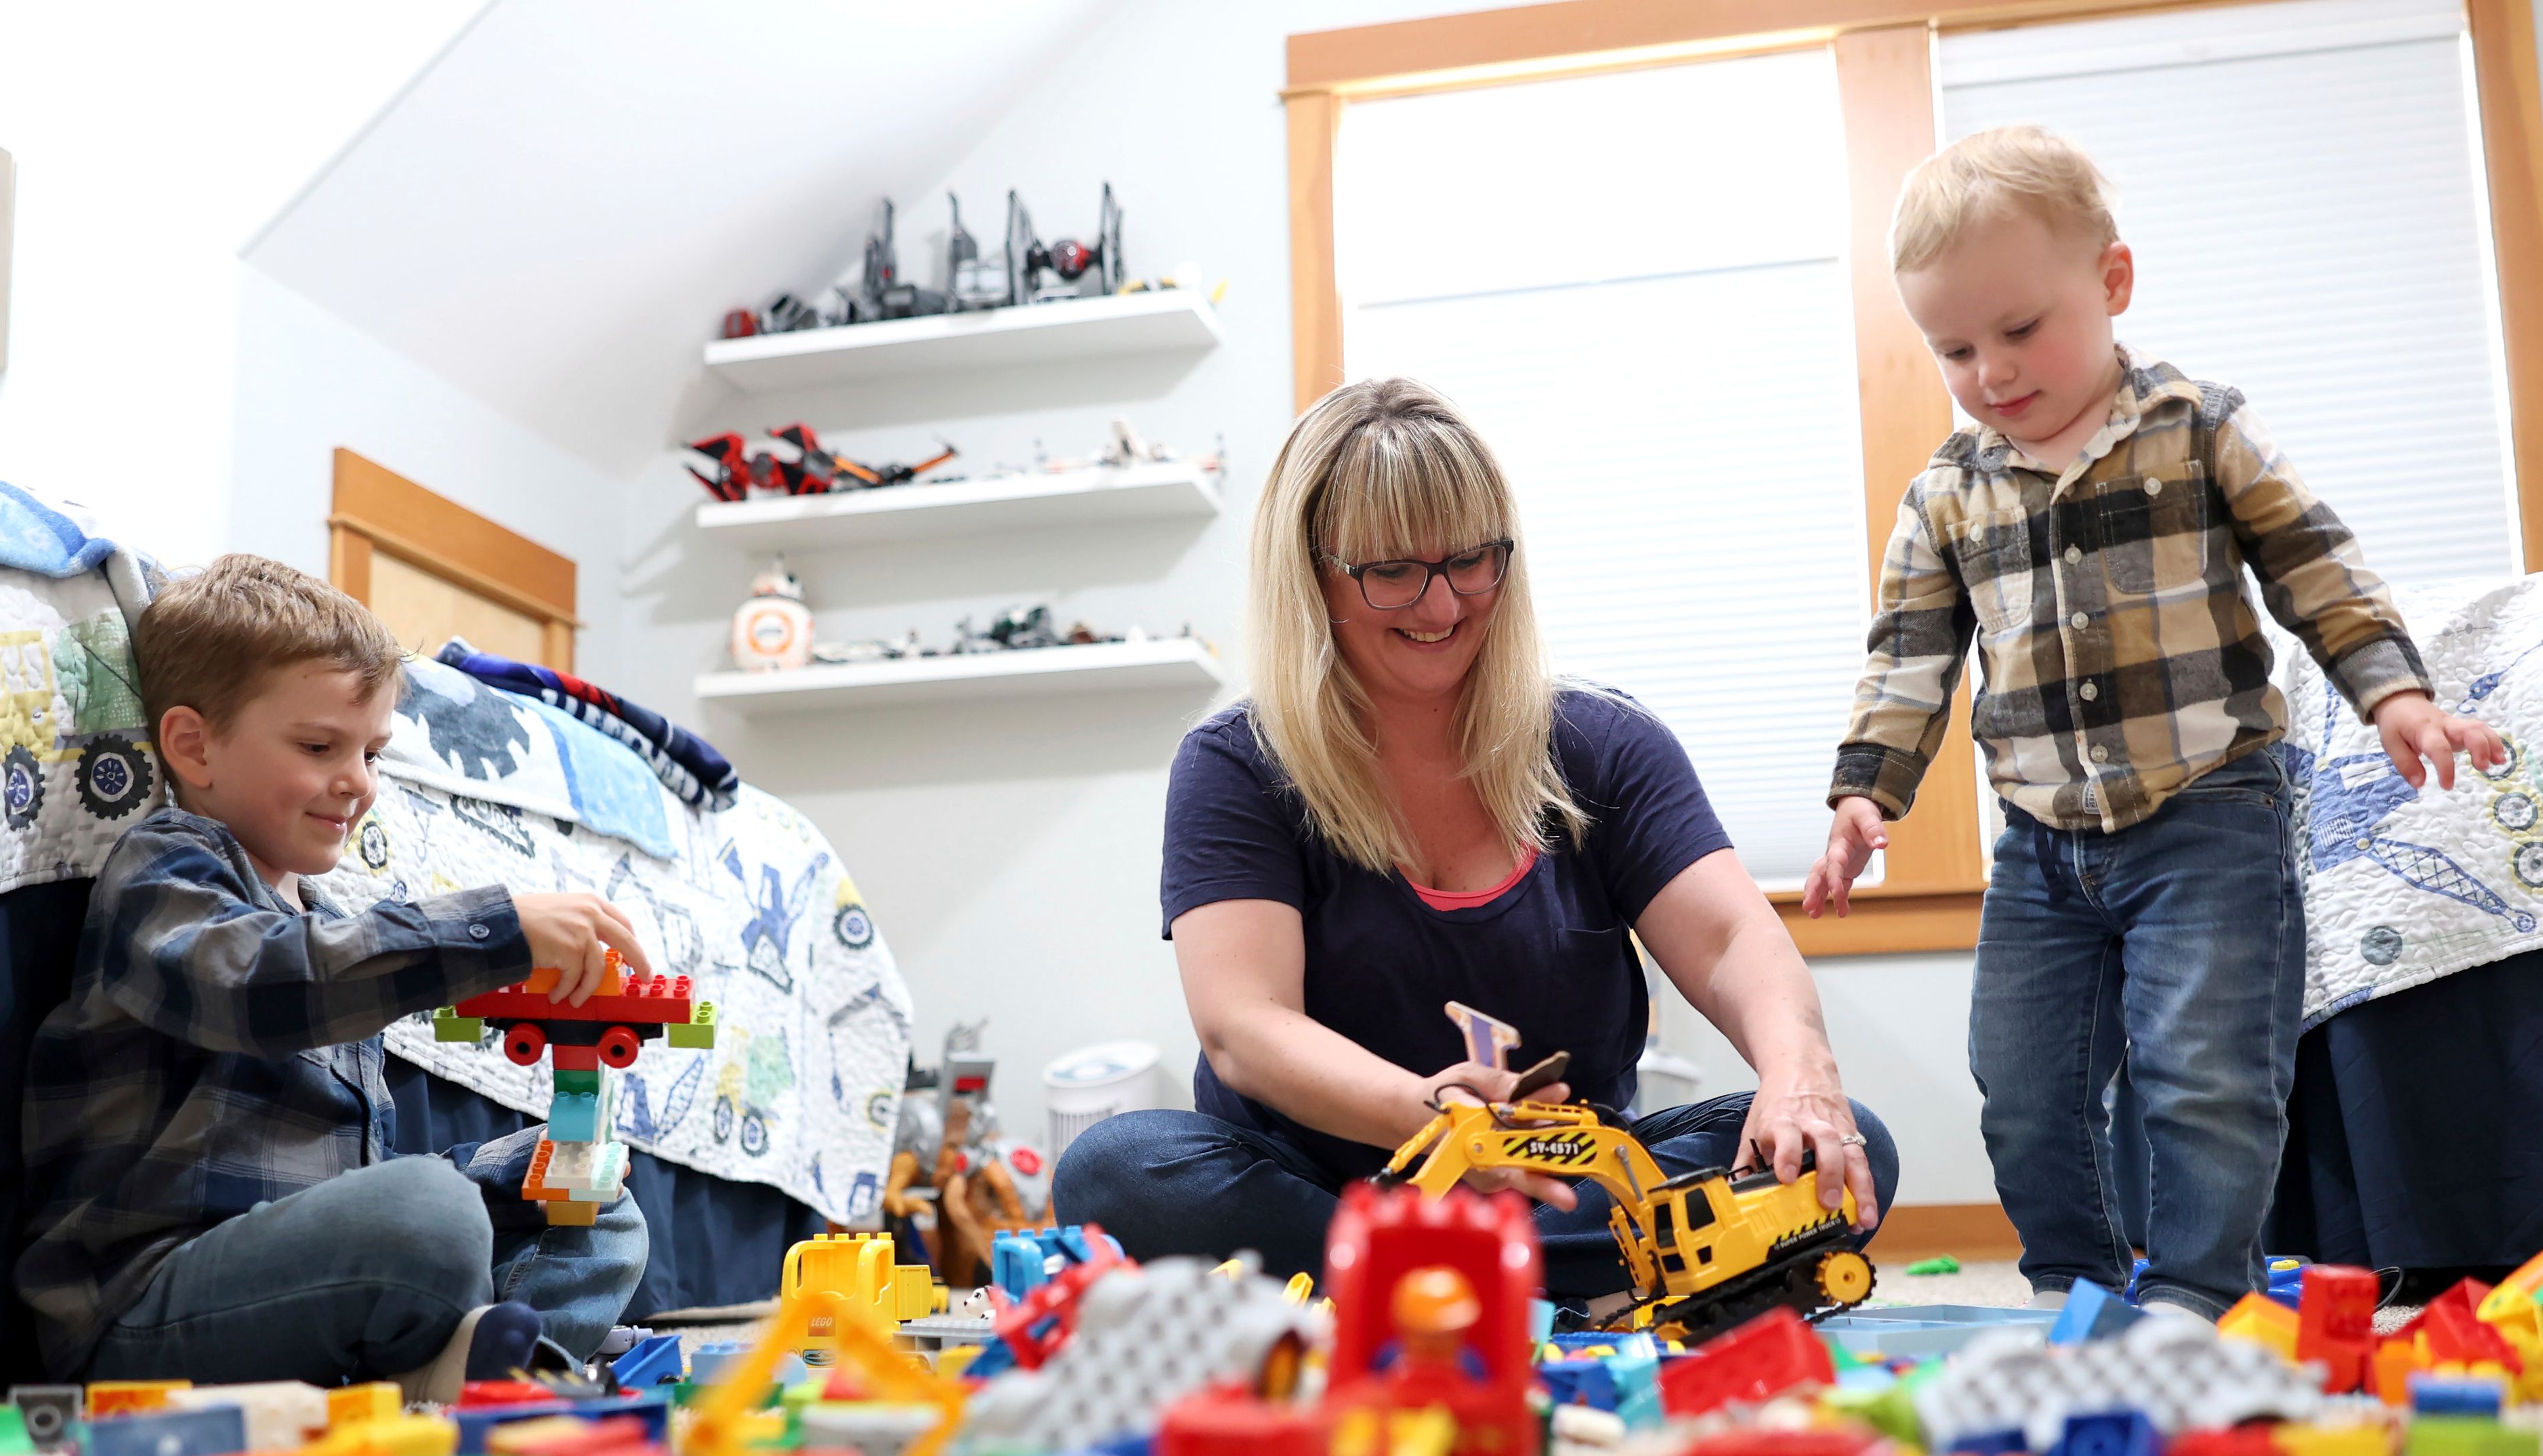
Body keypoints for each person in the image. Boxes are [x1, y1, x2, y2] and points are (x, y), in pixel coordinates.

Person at [1805, 125, 2502, 1319]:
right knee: (2024, 1084)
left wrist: (2394, 690)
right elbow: (1909, 657)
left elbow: (2316, 568)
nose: (1992, 369)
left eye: (2021, 329)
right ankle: (2073, 1286)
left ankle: (2194, 1294)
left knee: (2205, 1075)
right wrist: (1866, 790)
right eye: (1954, 346)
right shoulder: (1946, 495)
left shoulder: (2199, 428)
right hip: (2041, 845)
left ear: (2112, 282)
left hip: (2211, 816)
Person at [1056, 378, 1899, 1308]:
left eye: (1471, 560)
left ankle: (1423, 1290)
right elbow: (1245, 1028)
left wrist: (1798, 1072)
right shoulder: (1237, 765)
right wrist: (1435, 1114)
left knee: (1846, 1140)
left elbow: (1736, 940)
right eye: (1392, 571)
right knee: (1115, 1167)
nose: (1444, 602)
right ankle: (1522, 1285)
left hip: (1565, 1192)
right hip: (1330, 1191)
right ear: (1312, 572)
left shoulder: (1604, 742)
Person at [19, 554, 654, 1397]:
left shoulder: (326, 920)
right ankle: (456, 1375)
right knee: (426, 1213)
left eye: (373, 753)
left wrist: (507, 1166)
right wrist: (495, 927)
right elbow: (255, 988)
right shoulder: (166, 867)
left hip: (310, 1283)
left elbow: (352, 1177)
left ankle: (474, 1376)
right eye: (320, 746)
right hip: (147, 1312)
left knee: (591, 1195)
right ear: (194, 746)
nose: (358, 784)